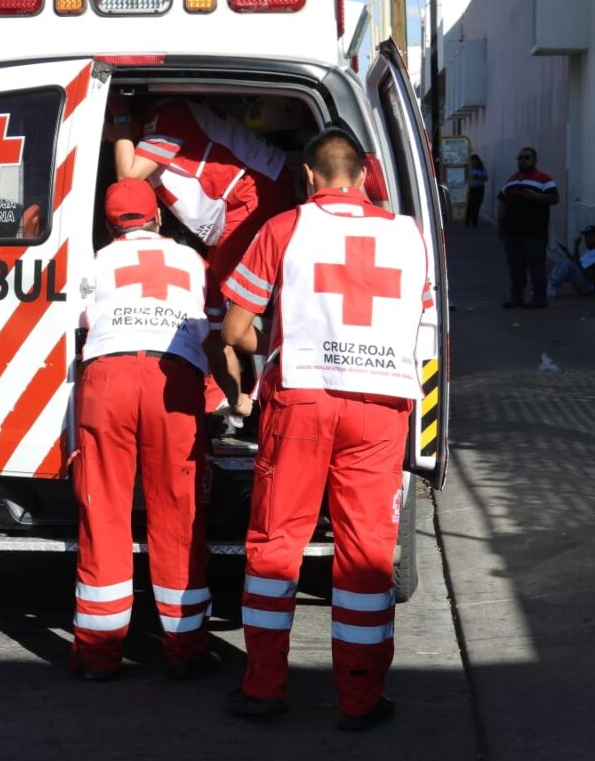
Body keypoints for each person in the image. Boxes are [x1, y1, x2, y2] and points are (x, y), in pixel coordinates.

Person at [219, 129, 437, 730]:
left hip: (303, 402)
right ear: (364, 177)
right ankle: (361, 700)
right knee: (366, 554)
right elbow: (421, 323)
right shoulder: (409, 235)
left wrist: (286, 339)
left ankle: (264, 689)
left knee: (276, 544)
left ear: (310, 178)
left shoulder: (285, 229)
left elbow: (237, 329)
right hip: (380, 406)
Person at [70, 178, 246, 682]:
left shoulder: (95, 261)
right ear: (159, 219)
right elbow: (215, 341)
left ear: (109, 225)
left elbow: (76, 326)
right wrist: (233, 398)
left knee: (102, 512)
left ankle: (98, 655)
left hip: (108, 379)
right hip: (174, 382)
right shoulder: (194, 263)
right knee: (178, 515)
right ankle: (187, 650)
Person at [109, 97, 298, 423]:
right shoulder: (165, 116)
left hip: (253, 198)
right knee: (220, 302)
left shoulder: (165, 118)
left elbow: (128, 176)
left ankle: (221, 396)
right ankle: (247, 378)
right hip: (246, 199)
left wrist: (122, 123)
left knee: (218, 309)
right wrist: (119, 130)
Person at [497, 147, 559, 309]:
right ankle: (516, 297)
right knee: (515, 267)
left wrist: (534, 196)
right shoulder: (510, 181)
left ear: (534, 160)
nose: (523, 160)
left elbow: (554, 198)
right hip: (512, 234)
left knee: (536, 266)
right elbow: (502, 203)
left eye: (527, 157)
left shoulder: (545, 179)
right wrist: (500, 227)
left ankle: (539, 298)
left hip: (534, 233)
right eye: (520, 158)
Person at [547, 224, 595, 298]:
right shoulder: (588, 252)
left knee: (567, 264)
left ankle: (551, 287)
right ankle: (548, 286)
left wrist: (576, 246)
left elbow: (584, 272)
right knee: (562, 263)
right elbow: (577, 264)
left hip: (588, 286)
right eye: (586, 237)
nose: (587, 239)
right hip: (583, 283)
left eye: (591, 237)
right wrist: (566, 251)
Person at [465, 153, 487, 228]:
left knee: (477, 205)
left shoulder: (482, 169)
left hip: (479, 188)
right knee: (470, 205)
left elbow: (486, 178)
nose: (474, 163)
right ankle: (468, 219)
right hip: (471, 188)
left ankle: (475, 221)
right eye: (472, 161)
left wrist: (479, 177)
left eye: (475, 161)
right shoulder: (468, 168)